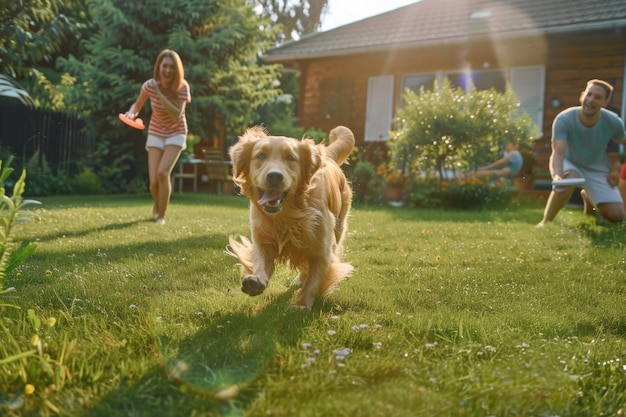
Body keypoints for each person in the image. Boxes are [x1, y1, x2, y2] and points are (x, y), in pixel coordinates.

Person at [538, 79, 626, 226]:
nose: (591, 100)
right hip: (570, 162)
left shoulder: (613, 121)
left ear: (605, 102)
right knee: (568, 179)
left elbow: (623, 140)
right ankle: (545, 222)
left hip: (597, 168)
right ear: (582, 96)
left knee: (616, 216)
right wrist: (558, 175)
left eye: (597, 97)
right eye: (589, 94)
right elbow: (558, 153)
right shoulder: (564, 119)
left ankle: (588, 197)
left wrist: (617, 167)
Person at [125, 49, 191, 225]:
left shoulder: (182, 87)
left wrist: (160, 93)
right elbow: (137, 105)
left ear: (177, 69)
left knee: (163, 173)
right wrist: (131, 113)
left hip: (176, 132)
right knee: (153, 182)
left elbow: (177, 114)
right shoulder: (148, 85)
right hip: (155, 131)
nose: (168, 70)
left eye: (171, 67)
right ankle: (158, 203)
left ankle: (162, 216)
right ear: (159, 67)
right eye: (165, 66)